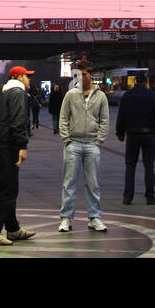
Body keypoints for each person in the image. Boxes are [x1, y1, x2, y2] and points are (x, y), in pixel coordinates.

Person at [0, 67, 35, 245]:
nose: (29, 80)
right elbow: (18, 120)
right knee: (9, 190)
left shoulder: (3, 93)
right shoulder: (18, 93)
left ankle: (12, 228)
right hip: (8, 146)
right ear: (20, 77)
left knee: (5, 187)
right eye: (27, 77)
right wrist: (22, 145)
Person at [58, 62, 109, 233]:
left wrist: (98, 141)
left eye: (84, 74)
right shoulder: (71, 95)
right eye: (79, 74)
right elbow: (63, 118)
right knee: (69, 183)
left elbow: (105, 120)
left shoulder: (101, 96)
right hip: (73, 143)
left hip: (92, 144)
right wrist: (66, 140)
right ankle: (66, 218)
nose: (81, 77)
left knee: (93, 183)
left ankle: (95, 218)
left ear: (91, 75)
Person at [115, 71, 155, 205]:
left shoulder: (127, 96)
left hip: (132, 134)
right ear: (145, 80)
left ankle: (128, 197)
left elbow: (121, 116)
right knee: (149, 166)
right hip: (148, 134)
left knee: (130, 165)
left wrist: (120, 133)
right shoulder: (152, 95)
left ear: (135, 81)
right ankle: (150, 196)